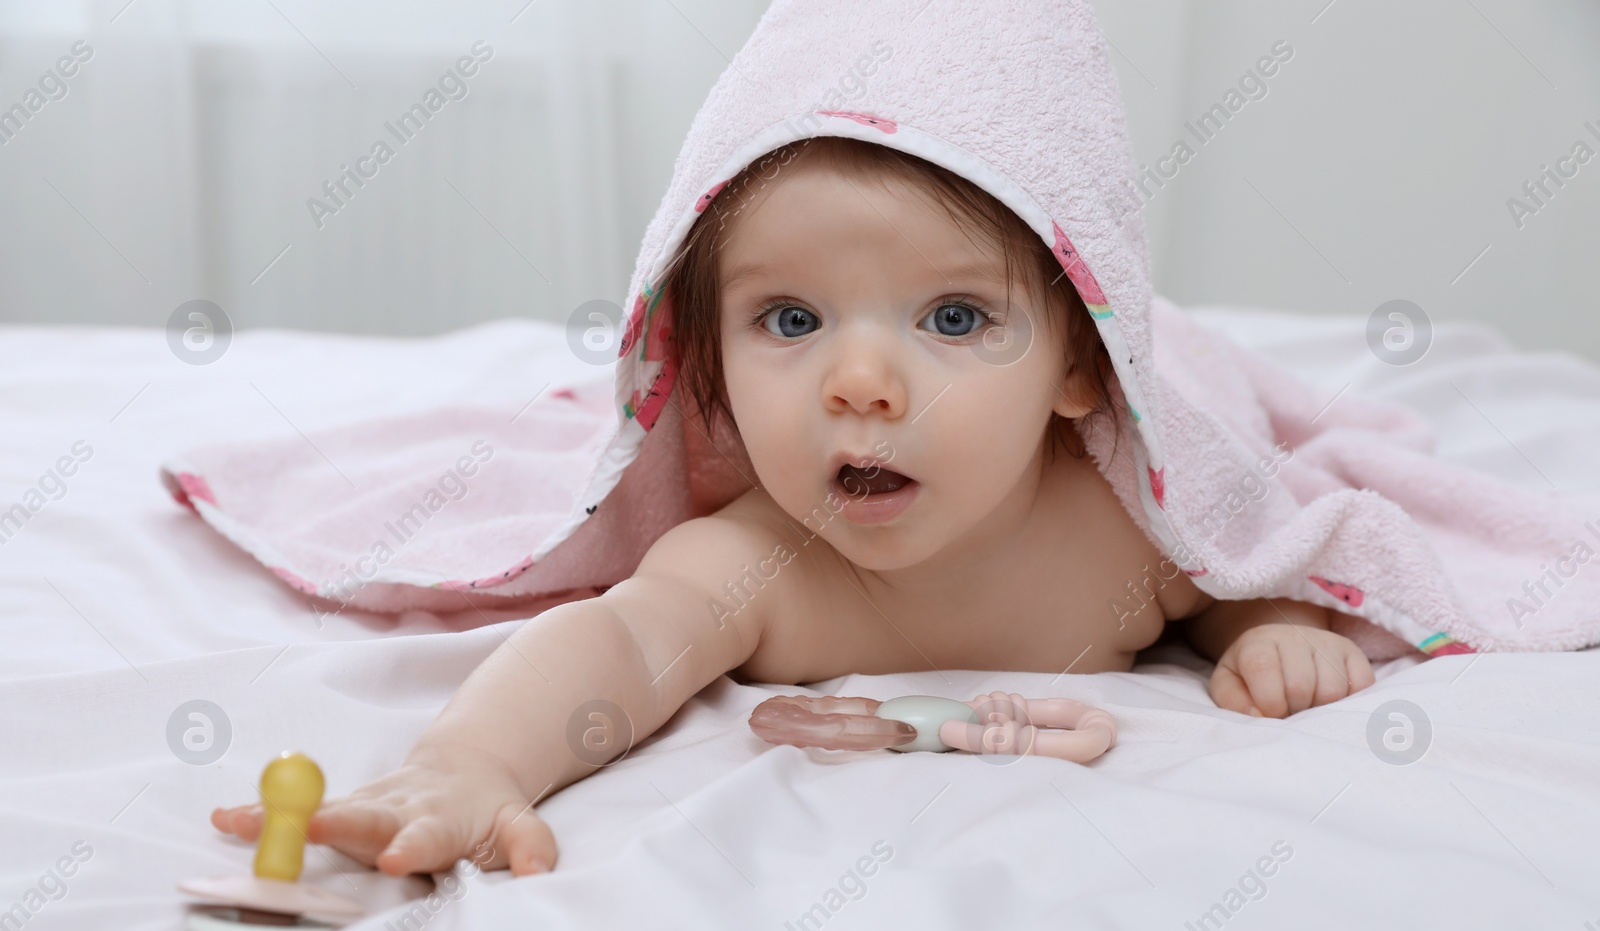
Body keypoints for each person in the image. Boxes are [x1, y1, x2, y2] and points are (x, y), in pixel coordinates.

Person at [211, 135, 1374, 877]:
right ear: (704, 363)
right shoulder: (763, 566)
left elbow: (1237, 555)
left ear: (1079, 373)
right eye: (790, 319)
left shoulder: (1121, 529)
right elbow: (618, 638)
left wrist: (1272, 630)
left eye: (955, 318)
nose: (859, 380)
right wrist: (472, 760)